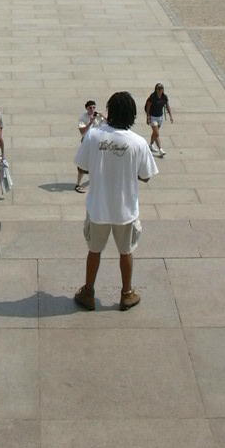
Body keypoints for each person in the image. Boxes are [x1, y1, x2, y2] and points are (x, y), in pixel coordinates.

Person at [74, 91, 157, 311]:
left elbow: (82, 166)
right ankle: (126, 293)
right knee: (126, 251)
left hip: (98, 206)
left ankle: (88, 292)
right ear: (132, 114)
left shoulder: (94, 136)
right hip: (125, 208)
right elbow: (146, 175)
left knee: (94, 251)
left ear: (110, 111)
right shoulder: (138, 142)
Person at [75, 99, 105, 192]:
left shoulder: (99, 116)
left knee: (100, 162)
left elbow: (108, 125)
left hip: (98, 143)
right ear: (86, 108)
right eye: (90, 108)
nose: (92, 109)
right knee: (83, 163)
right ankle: (78, 184)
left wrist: (104, 117)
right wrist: (90, 122)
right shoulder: (83, 118)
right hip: (87, 143)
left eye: (94, 107)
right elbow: (82, 132)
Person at [145, 82, 173, 156]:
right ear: (156, 89)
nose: (160, 90)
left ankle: (150, 145)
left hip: (160, 117)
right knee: (157, 133)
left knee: (154, 133)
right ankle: (160, 149)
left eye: (161, 89)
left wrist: (170, 116)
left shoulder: (164, 97)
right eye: (158, 89)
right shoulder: (152, 97)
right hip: (153, 117)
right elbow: (148, 107)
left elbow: (167, 106)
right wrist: (148, 117)